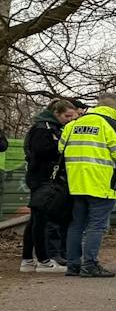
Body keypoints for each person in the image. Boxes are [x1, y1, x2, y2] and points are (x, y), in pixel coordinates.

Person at [59, 96, 116, 277]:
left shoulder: (73, 124)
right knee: (96, 226)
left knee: (76, 224)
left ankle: (73, 265)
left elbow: (61, 148)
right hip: (101, 182)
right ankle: (90, 265)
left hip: (76, 182)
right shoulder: (112, 125)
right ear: (114, 108)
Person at [22, 99, 79, 271]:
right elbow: (40, 152)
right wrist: (59, 148)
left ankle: (28, 260)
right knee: (40, 221)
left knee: (35, 221)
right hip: (43, 179)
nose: (70, 120)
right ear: (57, 114)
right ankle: (43, 260)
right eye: (67, 116)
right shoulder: (43, 128)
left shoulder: (49, 127)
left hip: (43, 178)